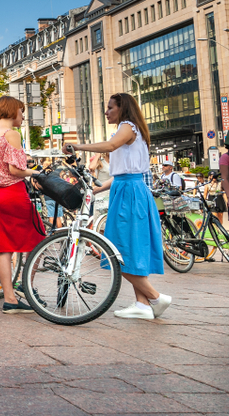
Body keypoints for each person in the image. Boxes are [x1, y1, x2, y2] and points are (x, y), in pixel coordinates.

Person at [64, 92, 171, 320]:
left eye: (110, 107)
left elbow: (111, 145)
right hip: (129, 189)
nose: (106, 112)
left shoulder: (128, 126)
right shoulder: (132, 129)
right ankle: (142, 305)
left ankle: (155, 297)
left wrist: (77, 146)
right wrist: (99, 189)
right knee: (129, 247)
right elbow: (126, 171)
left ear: (122, 108)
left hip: (129, 193)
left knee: (119, 250)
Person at [0, 96, 45, 314]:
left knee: (3, 248)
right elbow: (16, 170)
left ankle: (9, 299)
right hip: (14, 193)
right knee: (39, 239)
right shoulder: (11, 134)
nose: (23, 116)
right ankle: (26, 287)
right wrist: (36, 172)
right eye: (21, 112)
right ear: (13, 111)